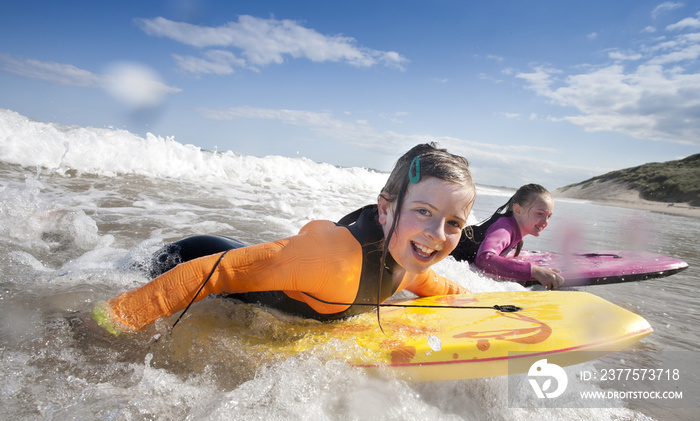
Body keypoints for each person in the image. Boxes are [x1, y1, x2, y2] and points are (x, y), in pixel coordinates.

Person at [94, 143, 476, 334]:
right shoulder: (330, 262)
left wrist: (477, 301)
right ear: (384, 209)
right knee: (109, 271)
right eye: (423, 211)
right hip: (192, 258)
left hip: (249, 259)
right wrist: (112, 322)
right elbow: (214, 272)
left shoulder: (411, 258)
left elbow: (429, 282)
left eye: (454, 223)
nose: (436, 235)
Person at [451, 183, 564, 289]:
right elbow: (484, 259)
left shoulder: (513, 228)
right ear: (517, 210)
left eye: (549, 216)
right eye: (540, 214)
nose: (545, 221)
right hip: (447, 262)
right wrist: (534, 271)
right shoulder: (504, 229)